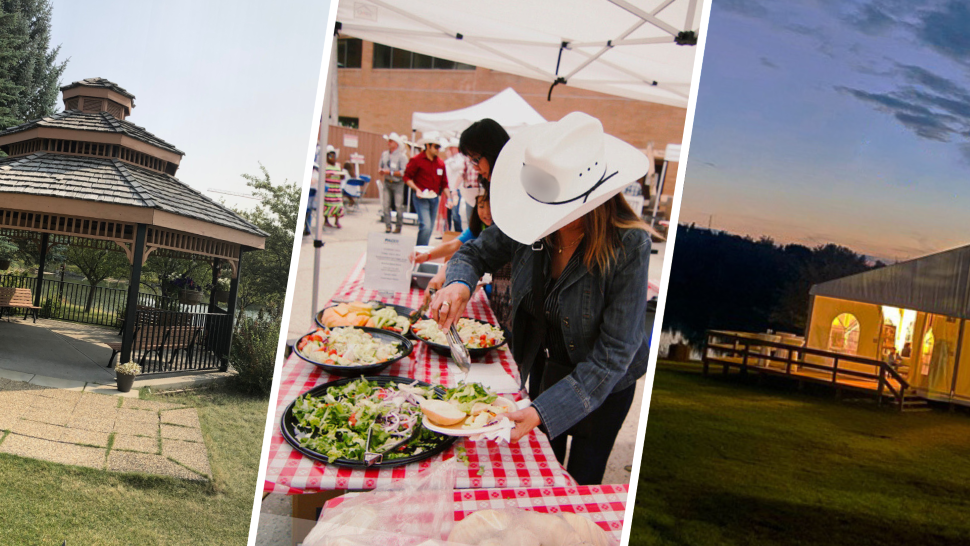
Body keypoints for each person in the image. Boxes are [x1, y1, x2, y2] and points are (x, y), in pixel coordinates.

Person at [430, 112, 654, 485]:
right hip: (547, 369)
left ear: (587, 202)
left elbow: (614, 354)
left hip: (604, 386)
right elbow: (473, 254)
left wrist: (542, 409)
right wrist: (459, 284)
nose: (536, 215)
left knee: (580, 482)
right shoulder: (529, 218)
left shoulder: (629, 245)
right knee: (541, 472)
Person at [404, 131, 450, 246]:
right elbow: (406, 177)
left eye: (439, 147)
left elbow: (444, 184)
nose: (438, 149)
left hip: (434, 199)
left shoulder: (440, 163)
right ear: (428, 146)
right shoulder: (417, 160)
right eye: (436, 146)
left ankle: (422, 250)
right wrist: (417, 189)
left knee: (429, 228)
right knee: (426, 226)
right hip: (421, 198)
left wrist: (450, 198)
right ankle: (420, 252)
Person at [379, 132, 408, 233]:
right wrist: (381, 170)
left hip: (398, 183)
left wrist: (390, 172)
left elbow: (404, 172)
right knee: (386, 205)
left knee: (398, 205)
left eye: (391, 141)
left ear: (396, 144)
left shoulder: (402, 157)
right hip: (387, 182)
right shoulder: (385, 154)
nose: (389, 143)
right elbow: (381, 164)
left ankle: (398, 226)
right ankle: (388, 226)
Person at [444, 137, 467, 232]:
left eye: (452, 148)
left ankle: (458, 231)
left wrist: (449, 159)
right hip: (448, 188)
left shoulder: (460, 158)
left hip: (456, 189)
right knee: (447, 212)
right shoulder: (450, 160)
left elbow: (455, 167)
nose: (451, 150)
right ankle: (447, 231)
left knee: (455, 212)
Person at [322, 145, 344, 229]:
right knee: (327, 206)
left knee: (339, 205)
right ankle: (326, 221)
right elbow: (321, 177)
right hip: (329, 190)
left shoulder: (338, 165)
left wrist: (341, 173)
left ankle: (337, 221)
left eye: (333, 156)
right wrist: (326, 176)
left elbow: (342, 177)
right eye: (330, 156)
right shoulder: (325, 166)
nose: (332, 158)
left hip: (337, 189)